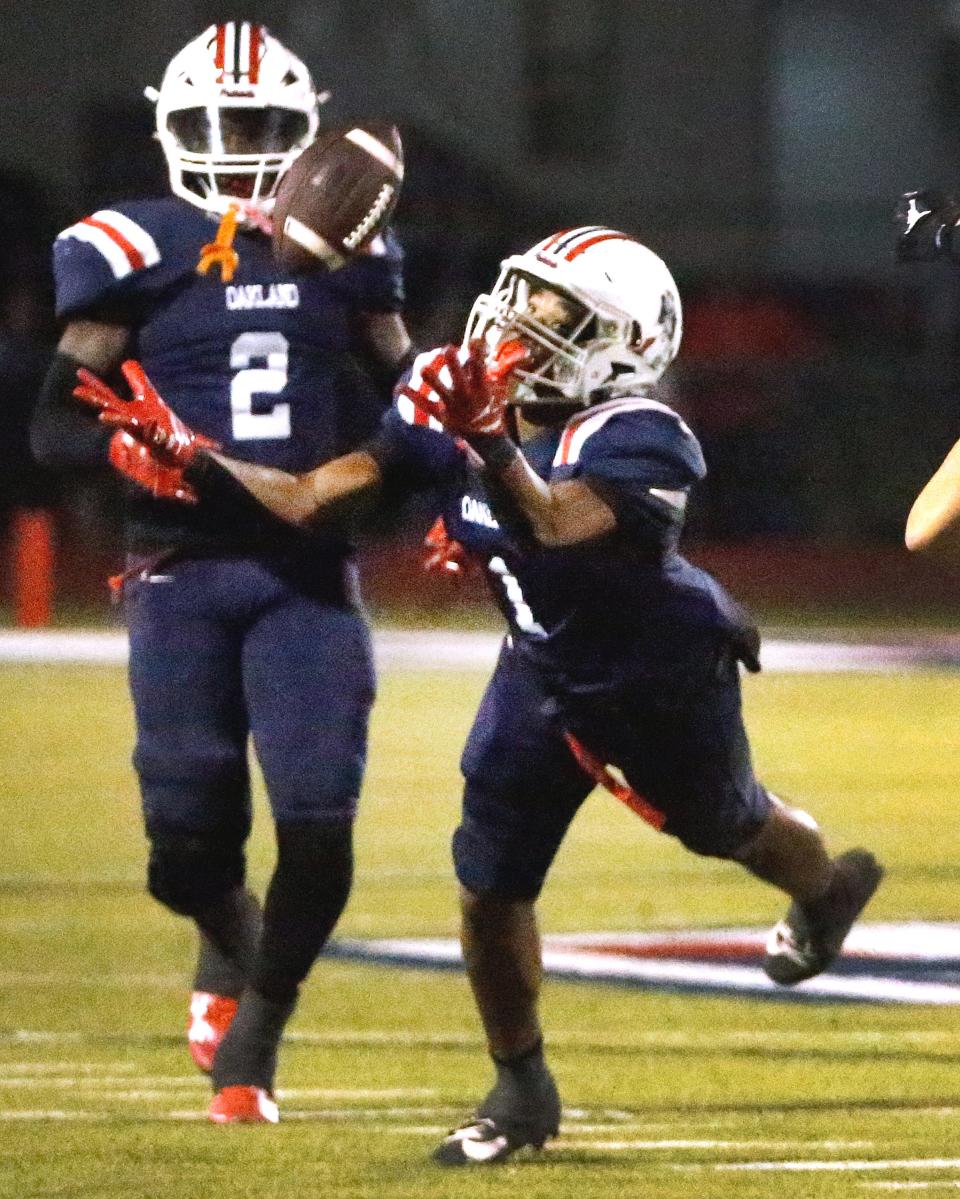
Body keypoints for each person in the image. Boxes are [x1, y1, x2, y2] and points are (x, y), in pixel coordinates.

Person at [72, 225, 883, 1160]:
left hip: (655, 682)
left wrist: (488, 444)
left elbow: (552, 520)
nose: (519, 323)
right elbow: (308, 497)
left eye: (556, 316)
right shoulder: (458, 397)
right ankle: (522, 1087)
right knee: (488, 885)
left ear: (618, 347)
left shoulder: (643, 435)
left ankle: (828, 887)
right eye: (523, 296)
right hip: (539, 668)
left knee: (729, 826)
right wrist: (194, 456)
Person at [30, 22, 412, 1124]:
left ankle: (256, 1032)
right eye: (221, 127)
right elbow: (54, 422)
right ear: (173, 130)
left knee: (319, 821)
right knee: (185, 853)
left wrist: (446, 444)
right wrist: (125, 447)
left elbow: (410, 400)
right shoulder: (129, 245)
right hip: (180, 570)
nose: (241, 149)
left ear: (303, 133)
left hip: (306, 574)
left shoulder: (357, 255)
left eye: (261, 129)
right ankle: (225, 939)